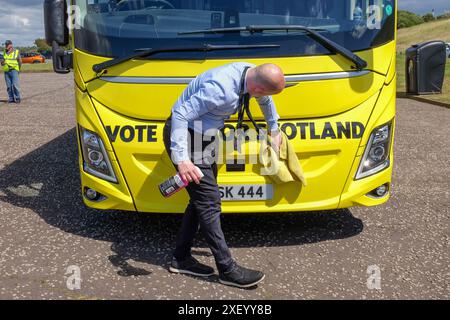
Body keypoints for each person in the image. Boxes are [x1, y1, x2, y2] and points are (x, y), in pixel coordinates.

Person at [163, 62, 285, 288]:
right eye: (264, 93)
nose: (264, 98)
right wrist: (182, 159)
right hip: (187, 136)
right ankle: (227, 270)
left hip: (205, 135)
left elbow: (265, 99)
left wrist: (274, 128)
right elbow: (180, 114)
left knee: (201, 200)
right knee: (209, 202)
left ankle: (181, 258)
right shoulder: (221, 90)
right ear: (256, 87)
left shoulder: (250, 72)